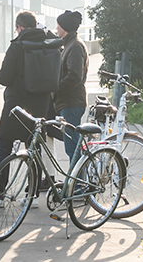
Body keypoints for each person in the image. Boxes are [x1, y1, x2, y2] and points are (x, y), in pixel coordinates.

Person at [0, 10, 54, 166]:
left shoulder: (17, 46)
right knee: (34, 148)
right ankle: (33, 187)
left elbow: (3, 78)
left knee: (4, 147)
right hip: (40, 105)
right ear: (35, 25)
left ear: (18, 26)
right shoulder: (48, 45)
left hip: (16, 106)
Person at [54, 9, 88, 171]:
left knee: (73, 148)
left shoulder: (74, 46)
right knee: (72, 147)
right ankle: (78, 186)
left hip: (71, 103)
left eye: (58, 25)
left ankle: (79, 188)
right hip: (68, 103)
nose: (56, 29)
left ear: (65, 27)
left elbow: (75, 76)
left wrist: (56, 89)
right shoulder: (69, 44)